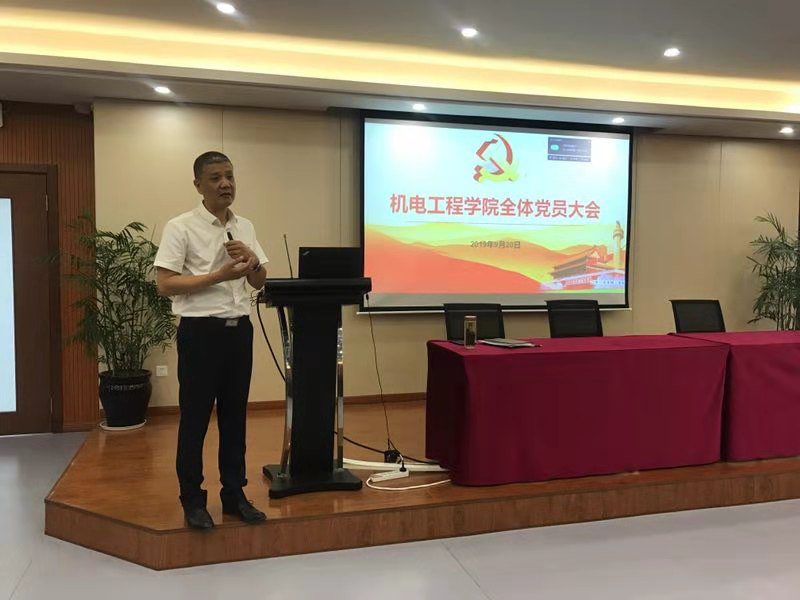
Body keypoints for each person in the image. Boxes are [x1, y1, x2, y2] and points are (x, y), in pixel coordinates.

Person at [154, 151, 268, 530]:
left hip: (239, 331)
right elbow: (165, 284)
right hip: (201, 333)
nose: (225, 184)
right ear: (198, 185)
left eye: (230, 176)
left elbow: (259, 281)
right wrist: (218, 275)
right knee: (195, 419)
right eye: (216, 177)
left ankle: (234, 495)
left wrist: (253, 261)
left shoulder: (245, 226)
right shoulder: (181, 227)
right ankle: (192, 500)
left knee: (235, 418)